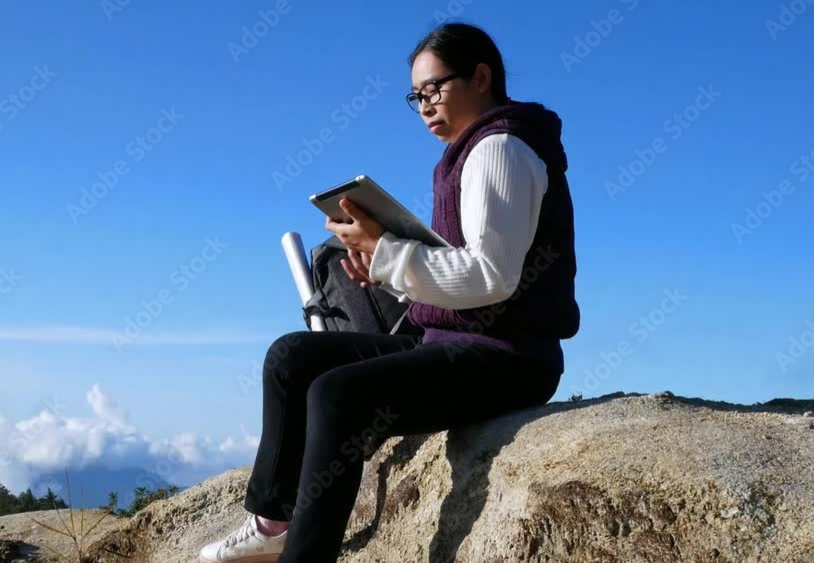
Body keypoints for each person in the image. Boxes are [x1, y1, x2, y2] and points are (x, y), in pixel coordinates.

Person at [198, 22, 580, 563]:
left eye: (434, 89)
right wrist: (385, 267)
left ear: (481, 77)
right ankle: (273, 522)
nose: (424, 106)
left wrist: (387, 252)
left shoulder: (502, 149)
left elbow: (492, 276)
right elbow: (464, 271)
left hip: (510, 357)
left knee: (337, 395)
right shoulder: (469, 151)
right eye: (415, 96)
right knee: (291, 357)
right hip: (452, 341)